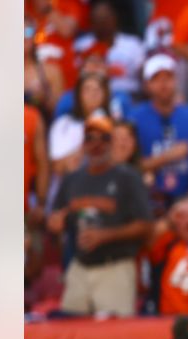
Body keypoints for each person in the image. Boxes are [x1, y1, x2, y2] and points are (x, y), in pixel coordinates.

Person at [47, 115, 153, 317]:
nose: (96, 145)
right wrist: (55, 224)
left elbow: (146, 226)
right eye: (90, 139)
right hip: (79, 267)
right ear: (83, 144)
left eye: (103, 138)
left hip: (114, 268)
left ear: (111, 142)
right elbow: (56, 218)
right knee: (71, 333)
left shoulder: (128, 177)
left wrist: (106, 235)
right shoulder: (72, 180)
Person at [132, 54, 188, 209]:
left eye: (168, 77)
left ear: (176, 81)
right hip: (145, 201)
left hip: (187, 199)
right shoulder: (134, 120)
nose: (163, 84)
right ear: (146, 84)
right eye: (156, 79)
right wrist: (166, 157)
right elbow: (128, 166)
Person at [71, 0, 145, 96]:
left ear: (115, 19)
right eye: (97, 20)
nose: (102, 24)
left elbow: (143, 77)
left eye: (105, 19)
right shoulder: (81, 45)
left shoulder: (133, 44)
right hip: (91, 94)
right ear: (91, 23)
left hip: (126, 94)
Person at [49, 72, 112, 175]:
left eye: (97, 90)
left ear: (105, 95)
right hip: (70, 186)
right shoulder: (63, 124)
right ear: (78, 94)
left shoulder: (115, 125)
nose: (93, 94)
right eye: (87, 89)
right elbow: (59, 167)